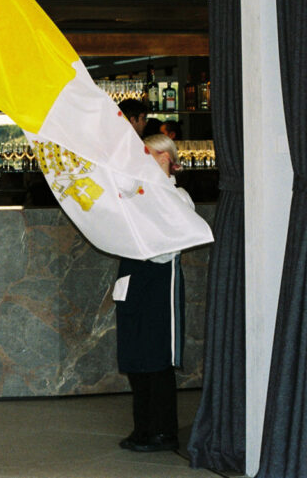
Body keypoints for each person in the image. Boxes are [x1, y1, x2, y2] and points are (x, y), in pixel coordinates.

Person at [115, 133, 188, 453]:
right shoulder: (135, 194)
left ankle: (162, 431)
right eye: (147, 154)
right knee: (135, 356)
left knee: (157, 359)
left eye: (159, 154)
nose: (153, 160)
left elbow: (164, 250)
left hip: (159, 283)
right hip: (133, 281)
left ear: (170, 159)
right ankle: (142, 427)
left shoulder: (179, 197)